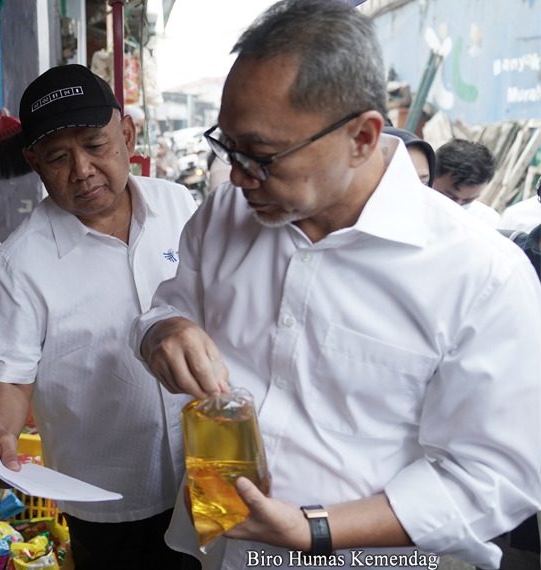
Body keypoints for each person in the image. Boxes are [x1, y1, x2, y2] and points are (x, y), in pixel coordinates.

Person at [130, 0, 541, 568]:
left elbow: (493, 476)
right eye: (228, 147)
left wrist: (313, 530)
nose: (238, 176)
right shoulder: (223, 214)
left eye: (262, 156)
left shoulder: (481, 276)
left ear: (363, 137)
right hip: (221, 549)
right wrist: (164, 331)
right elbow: (166, 309)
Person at [0, 64, 199, 570]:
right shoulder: (20, 262)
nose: (82, 170)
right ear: (34, 162)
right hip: (107, 495)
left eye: (96, 145)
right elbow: (10, 376)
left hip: (202, 470)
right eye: (58, 156)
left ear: (128, 135)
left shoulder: (178, 204)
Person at [433, 138, 500, 227]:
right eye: (449, 197)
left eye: (467, 201)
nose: (457, 207)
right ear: (430, 175)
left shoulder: (486, 222)